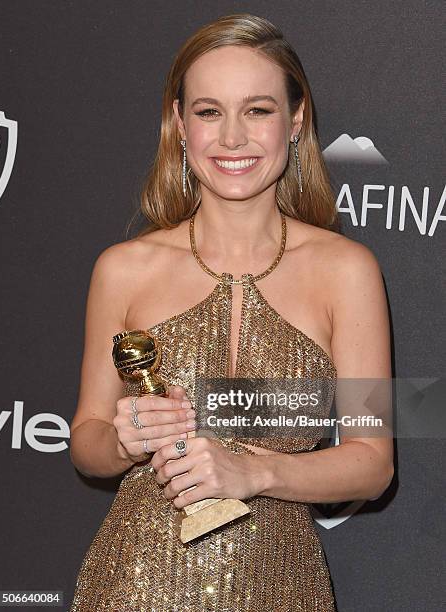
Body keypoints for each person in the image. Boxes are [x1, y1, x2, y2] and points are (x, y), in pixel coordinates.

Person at [69, 13, 394, 612]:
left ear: (296, 121)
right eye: (209, 111)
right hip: (135, 586)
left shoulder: (348, 272)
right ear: (180, 124)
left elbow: (373, 463)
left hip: (284, 588)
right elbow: (86, 441)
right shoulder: (123, 268)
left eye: (259, 110)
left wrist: (257, 472)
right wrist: (124, 440)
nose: (232, 138)